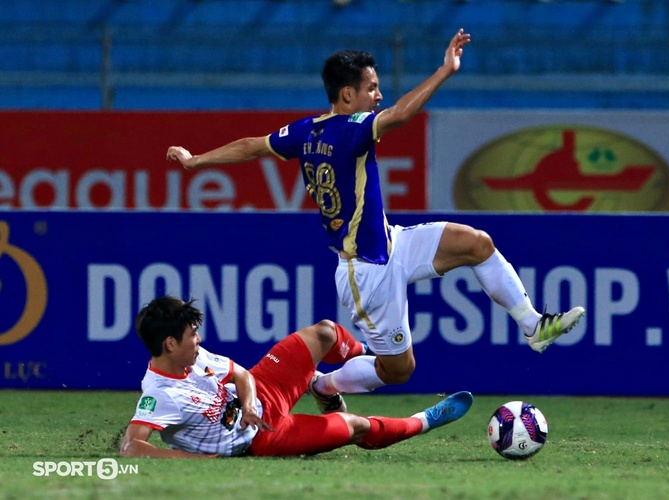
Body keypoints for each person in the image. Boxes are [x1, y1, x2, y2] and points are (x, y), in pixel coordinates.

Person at [166, 28, 585, 399]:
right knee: (399, 371)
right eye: (372, 87)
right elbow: (402, 114)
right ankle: (325, 384)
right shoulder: (351, 128)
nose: (378, 95)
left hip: (391, 242)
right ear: (347, 94)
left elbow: (252, 145)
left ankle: (533, 326)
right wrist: (445, 71)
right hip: (365, 271)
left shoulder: (305, 130)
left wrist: (196, 160)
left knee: (477, 244)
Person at [119, 296, 473, 458]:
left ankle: (327, 382)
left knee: (324, 332)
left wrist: (247, 402)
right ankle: (424, 420)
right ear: (169, 343)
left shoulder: (192, 358)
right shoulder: (160, 393)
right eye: (192, 334)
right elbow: (132, 447)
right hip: (263, 439)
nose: (198, 339)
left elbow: (242, 374)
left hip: (263, 390)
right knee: (354, 426)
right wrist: (195, 461)